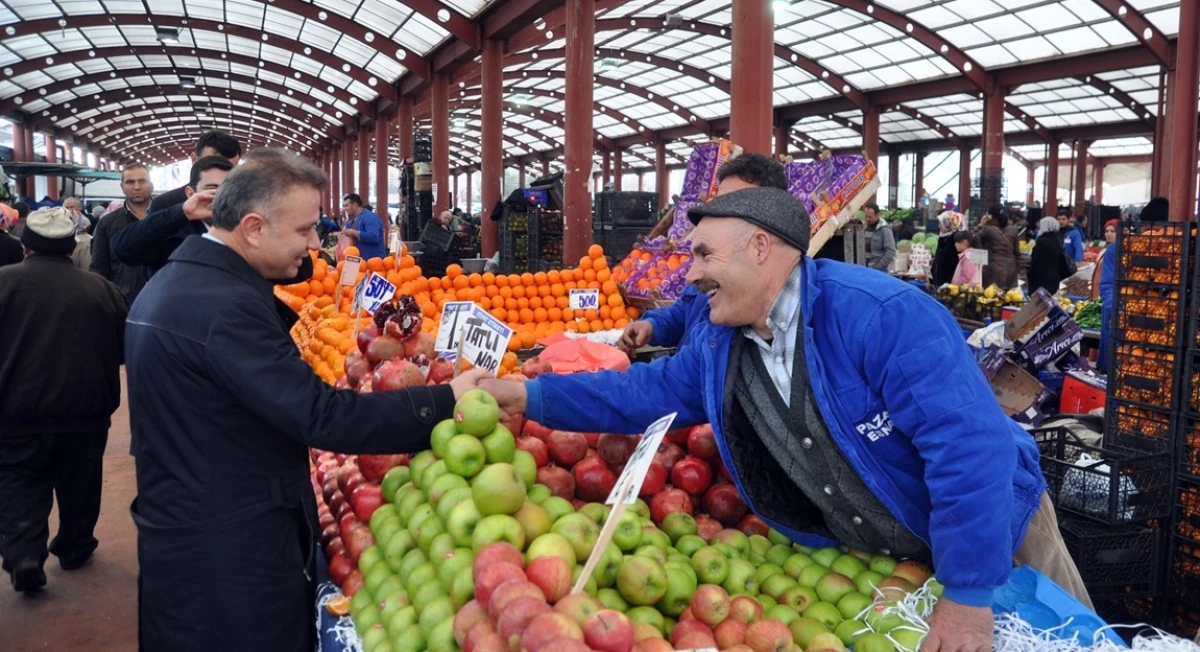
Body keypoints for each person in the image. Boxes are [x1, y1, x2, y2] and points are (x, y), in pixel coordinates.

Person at [482, 187, 1092, 652]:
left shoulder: (881, 317)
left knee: (1066, 639)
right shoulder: (727, 344)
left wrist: (967, 592)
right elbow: (646, 389)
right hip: (897, 559)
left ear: (761, 248)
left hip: (998, 537)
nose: (688, 276)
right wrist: (527, 398)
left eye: (702, 255)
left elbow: (967, 446)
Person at [125, 149, 488, 651]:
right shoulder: (225, 307)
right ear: (253, 227)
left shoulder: (177, 283)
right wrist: (443, 401)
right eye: (304, 230)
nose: (316, 244)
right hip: (228, 557)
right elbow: (320, 415)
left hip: (190, 529)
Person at [0, 207, 127, 592]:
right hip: (84, 411)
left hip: (15, 411)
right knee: (80, 484)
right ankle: (74, 548)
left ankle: (24, 553)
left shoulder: (2, 284)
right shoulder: (102, 289)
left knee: (19, 481)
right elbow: (124, 349)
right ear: (73, 247)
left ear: (25, 247)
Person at [619, 153, 788, 353]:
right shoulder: (710, 266)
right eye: (720, 203)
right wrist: (652, 326)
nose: (721, 214)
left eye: (736, 206)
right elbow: (684, 312)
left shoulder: (759, 308)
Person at [110, 156, 235, 278]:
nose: (221, 196)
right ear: (190, 193)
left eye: (228, 189)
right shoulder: (174, 226)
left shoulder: (246, 227)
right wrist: (181, 213)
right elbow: (124, 249)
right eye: (212, 189)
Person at [1098, 197, 1167, 373]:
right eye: (1152, 228)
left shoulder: (1172, 252)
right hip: (1120, 320)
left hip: (1156, 326)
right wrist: (1119, 309)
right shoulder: (1120, 249)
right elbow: (1107, 284)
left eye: (1161, 229)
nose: (1155, 233)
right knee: (1116, 375)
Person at [90, 164, 151, 305]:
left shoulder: (165, 218)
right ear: (122, 186)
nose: (137, 187)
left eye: (142, 181)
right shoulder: (107, 223)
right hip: (122, 303)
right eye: (130, 182)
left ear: (150, 184)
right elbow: (99, 268)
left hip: (161, 301)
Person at [147, 131, 241, 213]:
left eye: (230, 168)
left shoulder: (244, 204)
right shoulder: (164, 204)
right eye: (212, 165)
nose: (221, 174)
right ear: (194, 159)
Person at [1028, 216, 1073, 297]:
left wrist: (1030, 274)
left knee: (1039, 303)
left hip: (1040, 278)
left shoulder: (1042, 241)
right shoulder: (1058, 240)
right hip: (1054, 276)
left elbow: (1036, 262)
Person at [976, 205, 1018, 288]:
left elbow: (974, 242)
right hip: (1011, 269)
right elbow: (1017, 253)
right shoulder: (1013, 230)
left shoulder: (987, 230)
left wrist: (981, 225)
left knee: (992, 297)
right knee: (1009, 298)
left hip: (992, 270)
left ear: (989, 217)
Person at [341, 192, 385, 259]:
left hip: (373, 262)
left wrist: (354, 233)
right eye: (344, 206)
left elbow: (374, 237)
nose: (345, 209)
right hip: (357, 263)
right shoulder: (350, 222)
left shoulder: (369, 217)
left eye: (347, 206)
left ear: (355, 206)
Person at [419, 210, 458, 278]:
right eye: (445, 217)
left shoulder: (449, 230)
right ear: (440, 216)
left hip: (440, 260)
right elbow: (430, 222)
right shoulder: (433, 223)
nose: (446, 220)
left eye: (448, 219)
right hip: (429, 256)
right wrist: (440, 225)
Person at [1090, 219, 1119, 301]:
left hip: (1108, 295)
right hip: (1099, 293)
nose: (1108, 234)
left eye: (1113, 231)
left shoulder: (1121, 253)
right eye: (1106, 231)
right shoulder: (1104, 251)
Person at [862, 203, 895, 271]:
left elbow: (890, 252)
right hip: (864, 268)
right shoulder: (863, 227)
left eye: (870, 217)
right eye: (866, 216)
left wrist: (877, 267)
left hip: (878, 270)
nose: (867, 219)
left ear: (877, 215)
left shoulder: (885, 230)